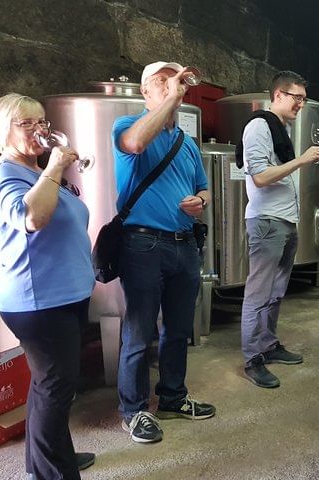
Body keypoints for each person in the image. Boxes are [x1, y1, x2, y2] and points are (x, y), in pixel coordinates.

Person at [112, 61, 215, 444]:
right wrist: (173, 97)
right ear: (145, 91)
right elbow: (136, 145)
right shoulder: (126, 126)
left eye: (176, 79)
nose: (172, 85)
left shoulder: (186, 142)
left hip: (184, 244)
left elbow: (204, 187)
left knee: (178, 329)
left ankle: (172, 397)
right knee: (139, 332)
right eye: (162, 81)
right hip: (143, 244)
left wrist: (201, 201)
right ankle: (134, 410)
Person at [0, 93, 96, 479]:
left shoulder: (35, 172)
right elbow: (31, 217)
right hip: (39, 301)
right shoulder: (6, 174)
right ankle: (51, 472)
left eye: (42, 121)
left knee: (50, 386)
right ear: (4, 130)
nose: (39, 129)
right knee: (55, 387)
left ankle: (49, 458)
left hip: (64, 296)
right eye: (27, 123)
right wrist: (55, 165)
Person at [240, 70, 319, 388]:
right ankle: (253, 359)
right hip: (267, 222)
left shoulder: (279, 128)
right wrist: (301, 160)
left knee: (275, 291)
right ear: (278, 95)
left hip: (285, 221)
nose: (301, 104)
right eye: (296, 98)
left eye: (304, 99)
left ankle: (268, 344)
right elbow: (261, 176)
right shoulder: (259, 127)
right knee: (258, 293)